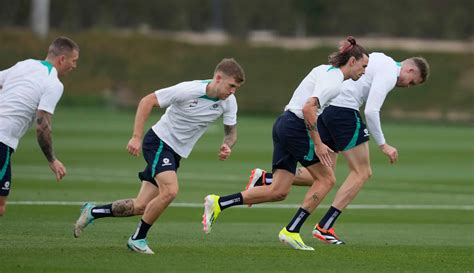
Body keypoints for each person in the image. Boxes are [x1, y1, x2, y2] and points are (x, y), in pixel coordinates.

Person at [202, 37, 369, 251]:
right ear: (352, 61)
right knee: (327, 179)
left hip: (284, 123)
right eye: (363, 66)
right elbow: (309, 108)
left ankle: (218, 203)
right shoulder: (335, 80)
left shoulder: (326, 70)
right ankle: (291, 230)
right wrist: (318, 143)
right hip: (294, 127)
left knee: (278, 191)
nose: (364, 72)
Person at [246, 53, 430, 244]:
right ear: (410, 69)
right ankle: (324, 226)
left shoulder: (379, 58)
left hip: (327, 110)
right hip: (344, 111)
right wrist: (383, 144)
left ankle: (266, 178)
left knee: (324, 172)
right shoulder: (391, 72)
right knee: (362, 172)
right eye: (412, 82)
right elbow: (371, 110)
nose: (408, 86)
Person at [73, 58, 245, 254]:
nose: (232, 91)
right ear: (218, 78)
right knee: (170, 191)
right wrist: (136, 137)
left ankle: (92, 211)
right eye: (231, 86)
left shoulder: (229, 102)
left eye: (236, 88)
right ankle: (138, 239)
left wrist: (227, 145)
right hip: (159, 143)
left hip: (175, 153)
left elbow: (231, 132)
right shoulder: (188, 90)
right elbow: (147, 101)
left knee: (140, 206)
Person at [0, 37, 80, 216]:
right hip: (2, 140)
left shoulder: (24, 64)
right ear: (62, 59)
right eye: (73, 61)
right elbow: (42, 126)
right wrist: (52, 160)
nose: (74, 66)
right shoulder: (53, 84)